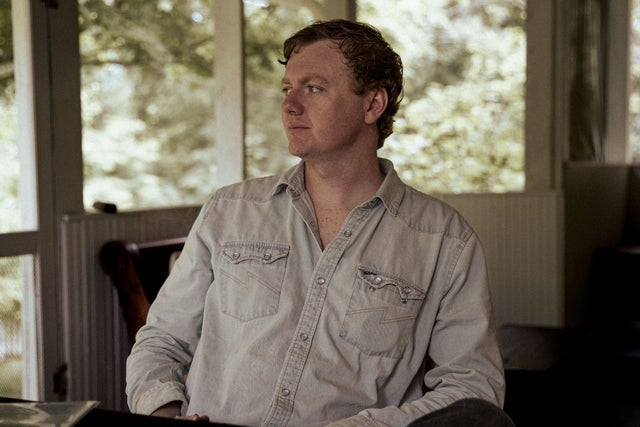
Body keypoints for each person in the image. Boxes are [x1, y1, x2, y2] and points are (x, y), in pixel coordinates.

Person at [126, 19, 510, 426]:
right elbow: (161, 340)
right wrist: (164, 414)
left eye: (314, 88)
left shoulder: (445, 241)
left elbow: (472, 388)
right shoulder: (229, 210)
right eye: (287, 89)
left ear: (372, 105)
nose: (290, 105)